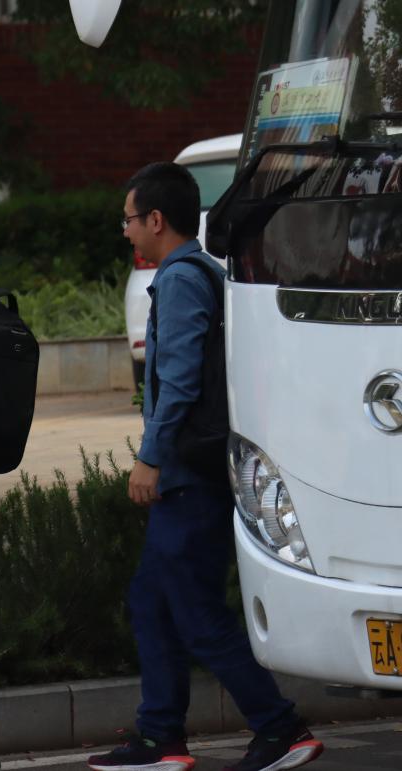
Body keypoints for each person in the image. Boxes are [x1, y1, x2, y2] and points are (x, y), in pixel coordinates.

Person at [86, 162, 323, 771]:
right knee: (153, 602)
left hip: (189, 475)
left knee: (193, 608)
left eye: (128, 219)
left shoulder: (181, 280)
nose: (125, 230)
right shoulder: (199, 273)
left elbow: (180, 381)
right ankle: (160, 735)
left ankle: (279, 727)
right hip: (193, 471)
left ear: (155, 220)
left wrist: (150, 458)